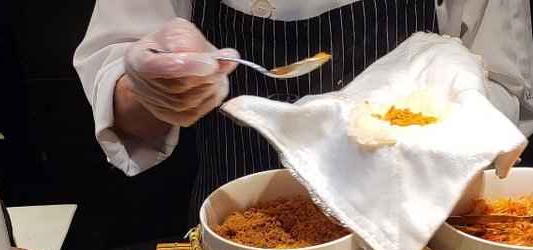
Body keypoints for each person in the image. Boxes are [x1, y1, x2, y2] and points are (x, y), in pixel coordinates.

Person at [74, 1, 533, 218]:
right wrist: (155, 89)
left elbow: (503, 86)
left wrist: (449, 107)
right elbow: (121, 101)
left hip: (404, 224)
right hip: (237, 227)